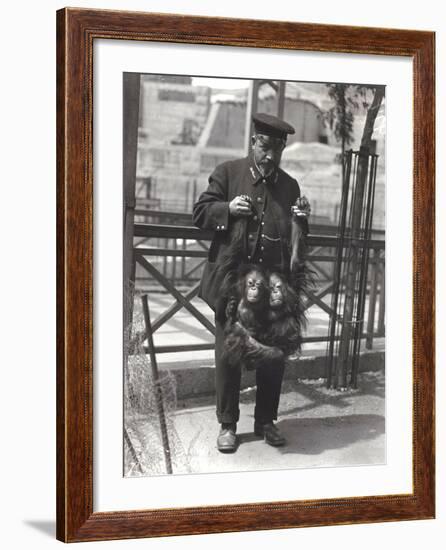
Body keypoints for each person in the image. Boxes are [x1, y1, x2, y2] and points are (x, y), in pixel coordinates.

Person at [192, 112, 310, 453]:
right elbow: (200, 212)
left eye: (277, 149)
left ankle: (265, 422)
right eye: (265, 146)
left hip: (271, 290)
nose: (270, 155)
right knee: (229, 356)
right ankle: (228, 425)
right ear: (253, 143)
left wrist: (301, 221)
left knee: (273, 356)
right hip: (232, 288)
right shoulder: (228, 173)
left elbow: (296, 240)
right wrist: (227, 208)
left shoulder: (290, 186)